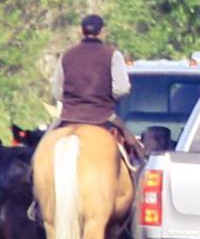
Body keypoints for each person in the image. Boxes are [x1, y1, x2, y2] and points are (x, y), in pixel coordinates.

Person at [49, 13, 140, 160]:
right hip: (103, 116)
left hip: (69, 115)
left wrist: (71, 100)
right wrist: (106, 99)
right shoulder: (113, 55)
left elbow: (57, 92)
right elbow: (122, 89)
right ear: (102, 31)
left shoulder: (66, 55)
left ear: (81, 31)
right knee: (135, 153)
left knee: (38, 153)